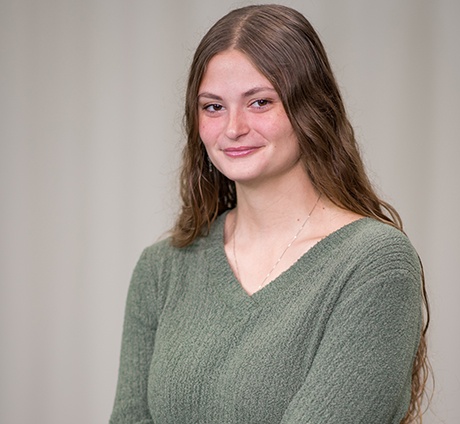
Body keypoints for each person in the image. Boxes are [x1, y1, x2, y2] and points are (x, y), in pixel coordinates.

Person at [110, 4, 430, 424]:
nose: (233, 128)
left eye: (260, 102)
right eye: (213, 107)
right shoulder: (162, 268)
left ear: (311, 108)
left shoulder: (373, 264)